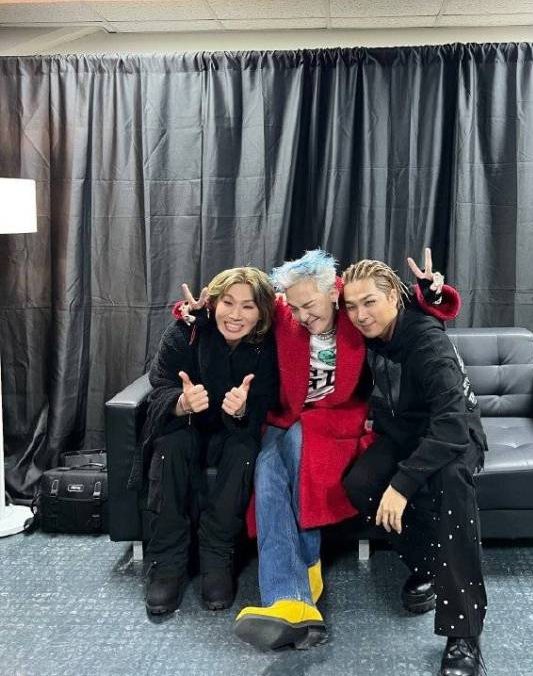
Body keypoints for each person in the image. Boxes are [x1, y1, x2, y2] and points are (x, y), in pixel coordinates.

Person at [178, 249, 460, 650]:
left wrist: (432, 295)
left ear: (332, 293)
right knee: (267, 466)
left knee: (295, 448)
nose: (302, 316)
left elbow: (400, 305)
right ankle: (290, 600)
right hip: (287, 417)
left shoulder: (353, 308)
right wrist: (192, 314)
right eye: (294, 308)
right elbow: (237, 310)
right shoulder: (285, 313)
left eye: (309, 306)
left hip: (337, 420)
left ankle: (299, 585)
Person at [341, 258, 487, 676]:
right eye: (351, 306)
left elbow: (452, 423)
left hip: (453, 434)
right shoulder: (368, 334)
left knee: (451, 481)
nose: (360, 315)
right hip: (405, 434)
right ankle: (430, 565)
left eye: (369, 302)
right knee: (360, 484)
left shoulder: (426, 341)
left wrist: (402, 485)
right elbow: (309, 308)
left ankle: (464, 634)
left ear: (393, 297)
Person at [133, 267, 279, 617]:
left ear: (260, 312)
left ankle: (217, 554)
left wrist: (242, 410)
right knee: (171, 446)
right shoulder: (185, 332)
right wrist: (181, 403)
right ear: (214, 304)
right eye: (228, 303)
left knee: (243, 450)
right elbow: (160, 385)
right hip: (184, 428)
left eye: (247, 306)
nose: (236, 314)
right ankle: (167, 561)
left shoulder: (267, 345)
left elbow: (266, 400)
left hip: (232, 433)